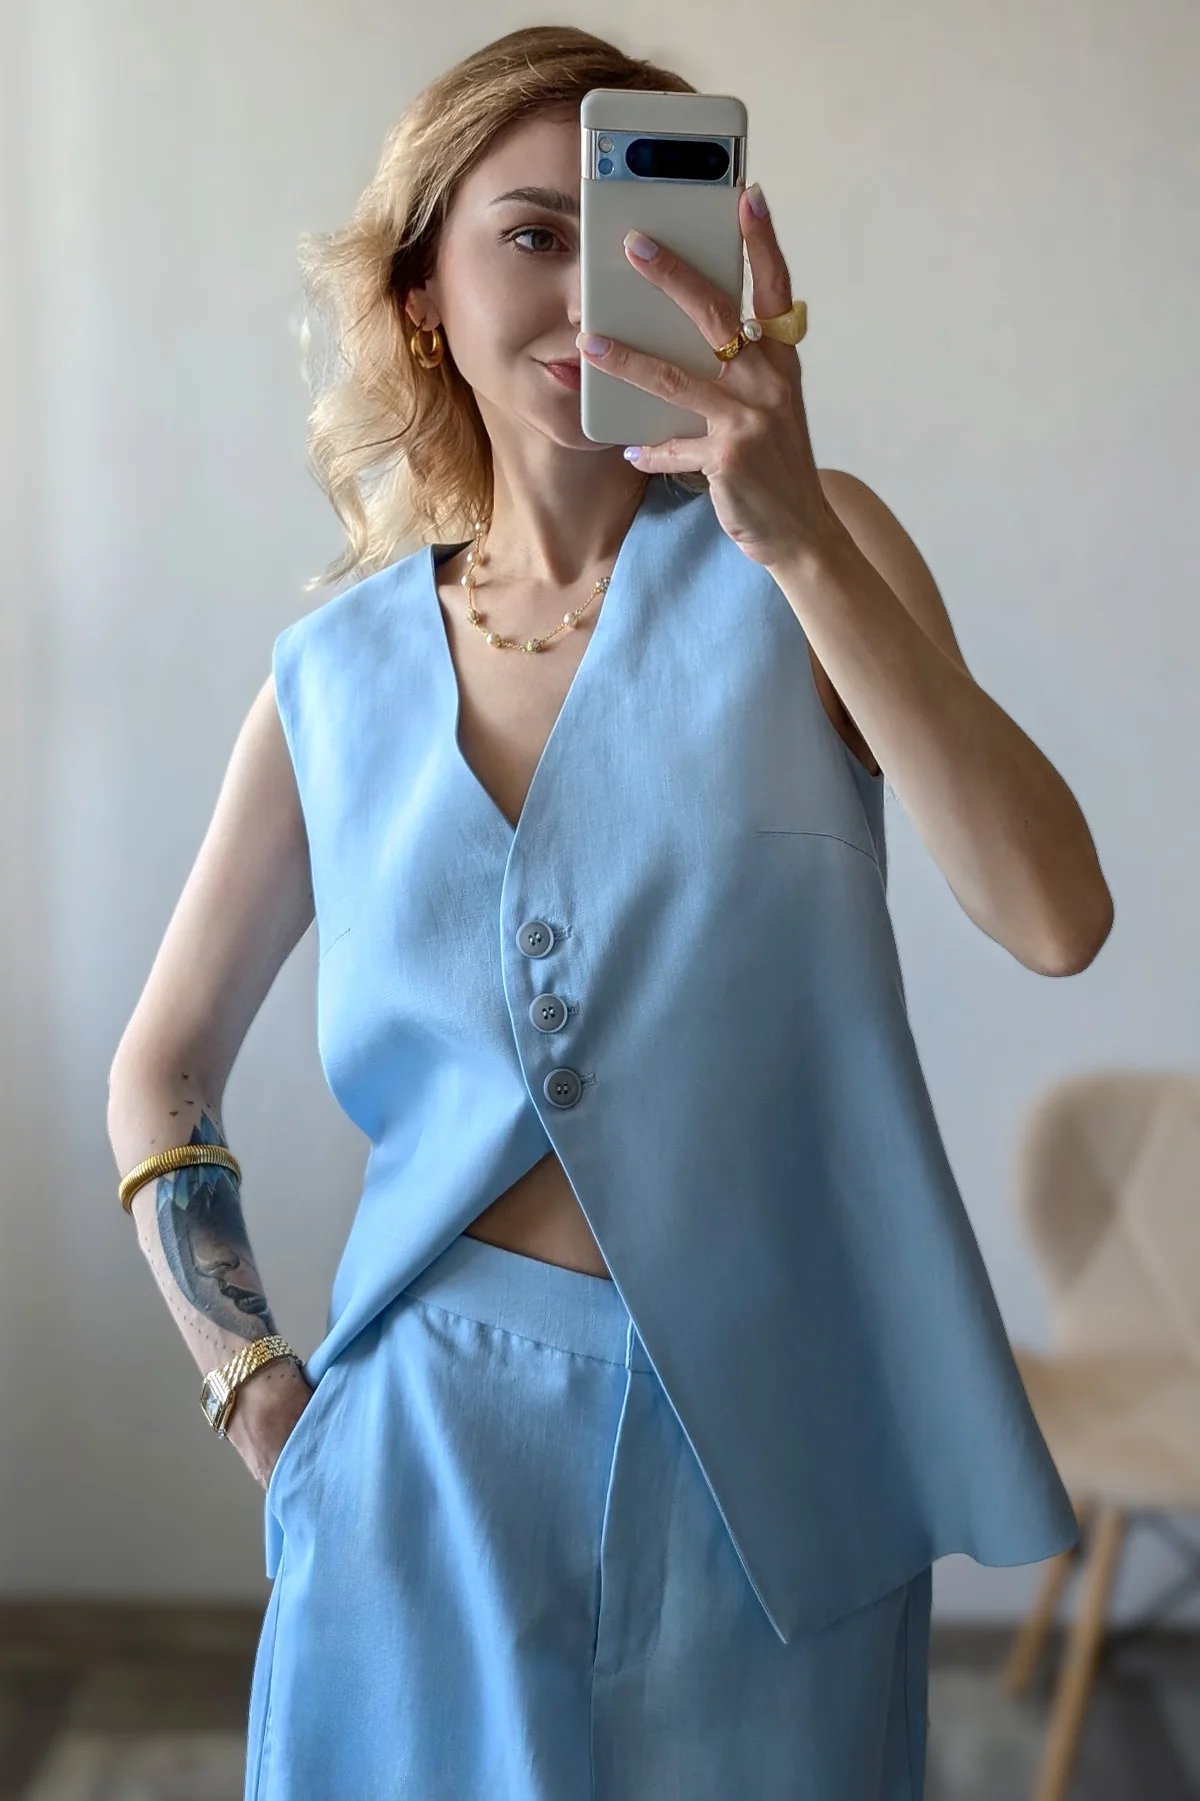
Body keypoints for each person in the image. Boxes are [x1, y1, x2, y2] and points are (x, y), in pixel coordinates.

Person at [106, 24, 1113, 1801]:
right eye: (533, 234)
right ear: (421, 297)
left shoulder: (819, 558)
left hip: (782, 1444)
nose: (597, 286)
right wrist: (253, 1383)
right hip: (424, 1446)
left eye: (645, 232)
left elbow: (1054, 916)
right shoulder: (329, 681)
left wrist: (794, 532)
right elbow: (160, 1067)